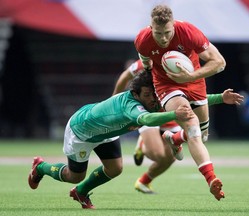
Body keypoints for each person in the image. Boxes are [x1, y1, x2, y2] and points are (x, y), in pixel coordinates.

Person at [27, 71, 193, 209]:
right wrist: (174, 114)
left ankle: (81, 192)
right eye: (148, 95)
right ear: (136, 94)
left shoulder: (146, 101)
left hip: (106, 131)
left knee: (115, 168)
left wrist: (218, 99)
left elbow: (190, 100)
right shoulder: (132, 107)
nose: (153, 99)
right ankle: (41, 167)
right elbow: (148, 120)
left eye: (153, 94)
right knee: (74, 176)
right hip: (82, 131)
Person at [134, 5, 227, 200]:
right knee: (192, 126)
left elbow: (219, 62)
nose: (164, 38)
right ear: (151, 28)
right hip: (166, 84)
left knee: (202, 135)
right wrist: (149, 70)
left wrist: (191, 76)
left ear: (174, 25)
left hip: (194, 80)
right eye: (158, 33)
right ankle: (211, 180)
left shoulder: (189, 32)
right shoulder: (143, 40)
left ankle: (175, 138)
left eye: (167, 32)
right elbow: (145, 59)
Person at [113, 59, 244, 194]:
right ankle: (144, 144)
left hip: (171, 112)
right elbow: (125, 76)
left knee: (170, 157)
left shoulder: (180, 64)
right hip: (151, 112)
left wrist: (221, 97)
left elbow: (194, 99)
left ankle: (144, 181)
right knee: (158, 155)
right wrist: (115, 101)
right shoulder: (149, 62)